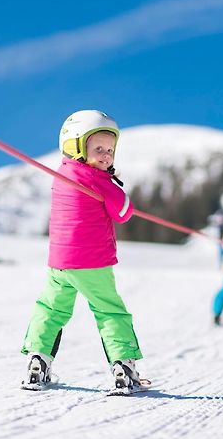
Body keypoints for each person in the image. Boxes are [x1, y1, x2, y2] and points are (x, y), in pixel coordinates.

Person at [21, 110, 143, 393]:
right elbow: (123, 212)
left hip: (60, 263)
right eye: (98, 148)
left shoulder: (62, 174)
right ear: (76, 146)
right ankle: (124, 367)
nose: (106, 156)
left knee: (50, 309)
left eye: (110, 150)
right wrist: (114, 187)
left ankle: (38, 361)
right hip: (92, 263)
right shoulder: (98, 180)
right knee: (109, 311)